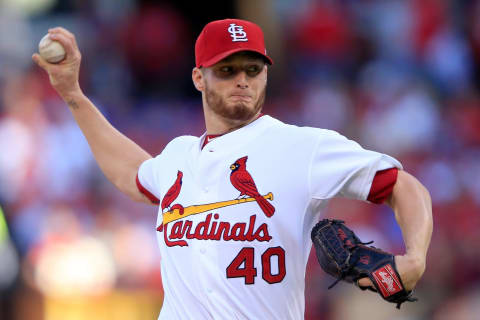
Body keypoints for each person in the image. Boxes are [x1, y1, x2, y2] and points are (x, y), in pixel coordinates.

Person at [32, 19, 433, 320]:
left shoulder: (303, 147)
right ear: (198, 78)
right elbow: (133, 175)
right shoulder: (178, 157)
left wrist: (414, 258)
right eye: (227, 70)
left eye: (252, 69)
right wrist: (72, 95)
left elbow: (403, 186)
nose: (242, 80)